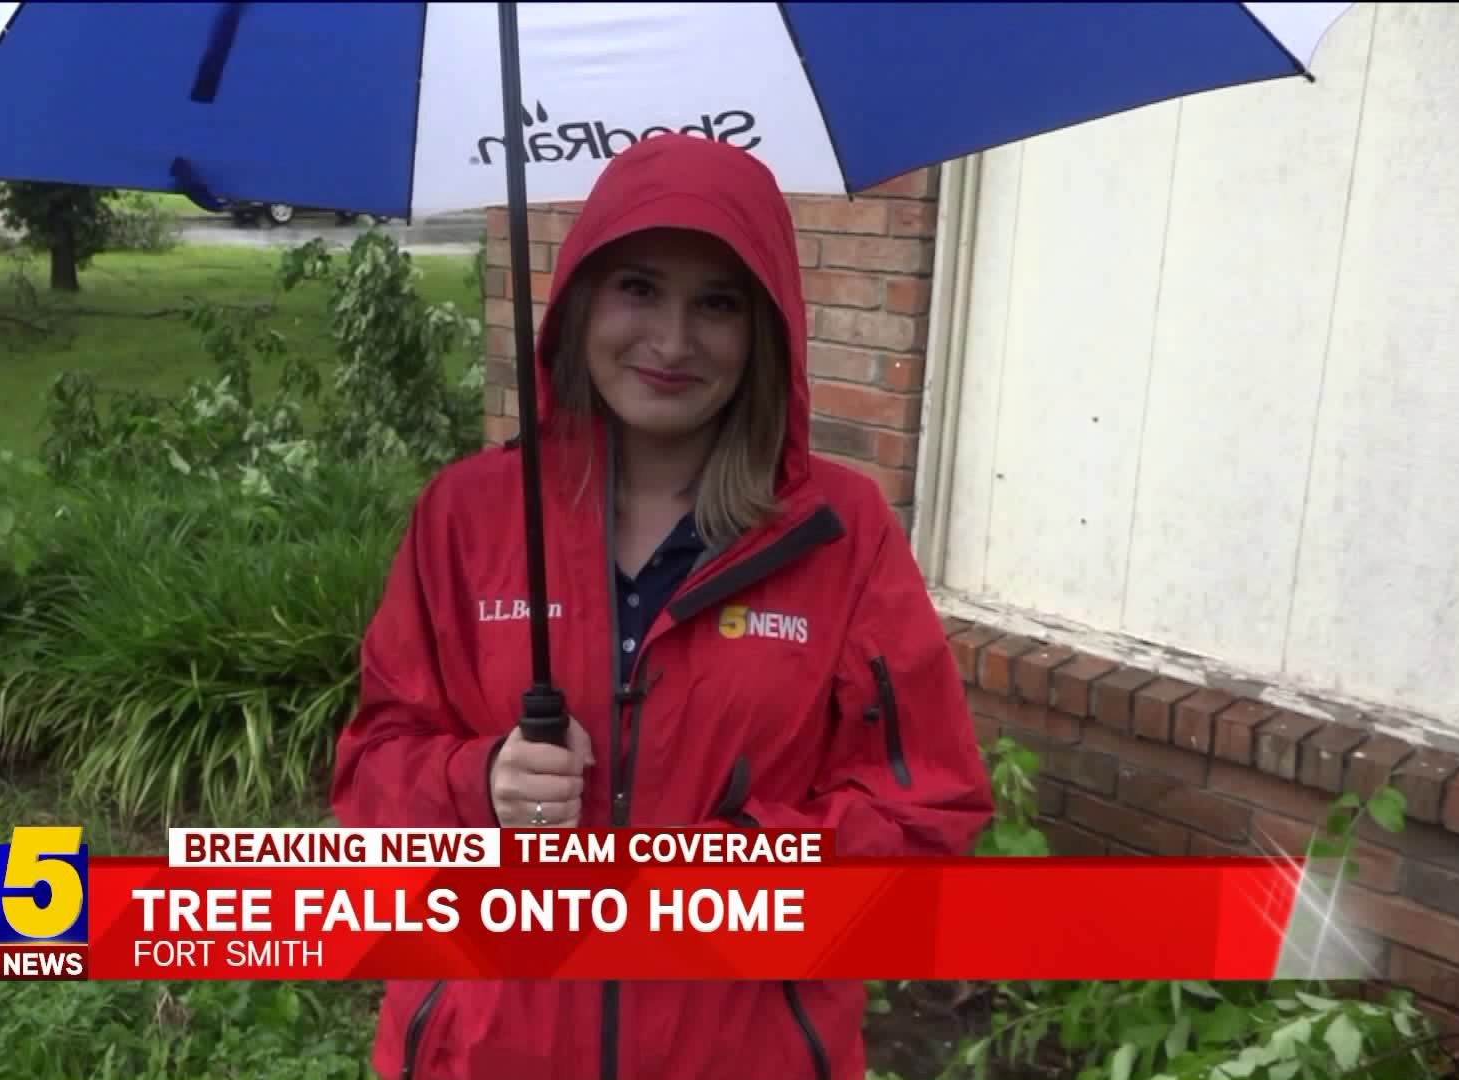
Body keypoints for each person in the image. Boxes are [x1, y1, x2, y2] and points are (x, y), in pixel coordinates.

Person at [330, 132, 995, 1080]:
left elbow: (930, 814)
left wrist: (755, 869)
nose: (673, 342)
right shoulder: (469, 515)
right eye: (639, 288)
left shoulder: (841, 535)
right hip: (482, 1054)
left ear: (763, 330)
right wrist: (481, 785)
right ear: (582, 301)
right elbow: (369, 779)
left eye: (716, 303)